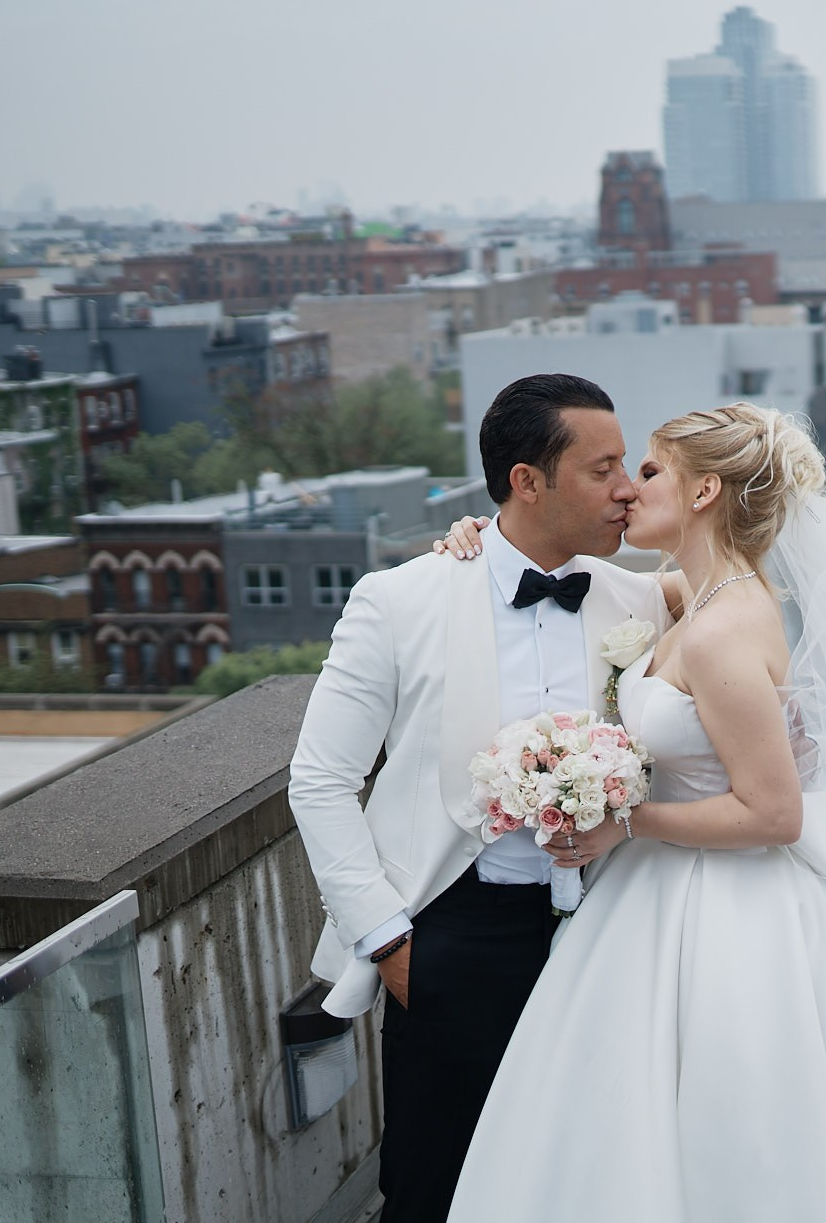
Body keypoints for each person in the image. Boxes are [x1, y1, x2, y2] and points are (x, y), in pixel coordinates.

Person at [437, 404, 826, 1221]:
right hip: (661, 895)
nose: (631, 491)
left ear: (705, 491)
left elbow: (775, 814)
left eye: (652, 471)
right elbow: (582, 578)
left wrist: (627, 823)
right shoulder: (691, 600)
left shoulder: (721, 631)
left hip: (729, 905)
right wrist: (478, 537)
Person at [288, 374, 675, 1222]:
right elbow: (319, 780)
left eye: (630, 466)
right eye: (603, 467)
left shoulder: (643, 599)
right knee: (434, 1187)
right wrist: (388, 940)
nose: (626, 488)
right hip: (448, 936)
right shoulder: (399, 599)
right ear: (526, 481)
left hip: (611, 933)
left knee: (593, 1182)